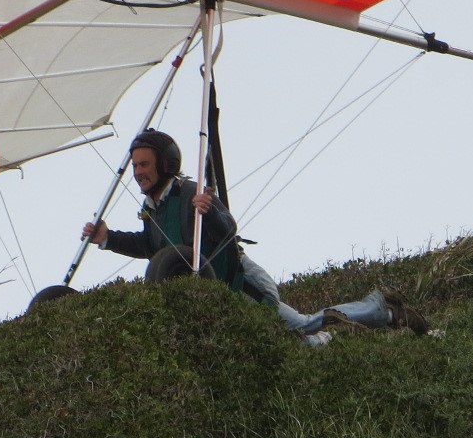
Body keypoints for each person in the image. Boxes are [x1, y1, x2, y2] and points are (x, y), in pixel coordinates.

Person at [84, 129, 429, 344]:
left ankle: (379, 307)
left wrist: (210, 209)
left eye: (144, 164)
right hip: (221, 291)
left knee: (302, 325)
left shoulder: (190, 193)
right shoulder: (154, 209)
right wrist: (108, 238)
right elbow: (151, 248)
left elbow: (228, 229)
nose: (138, 172)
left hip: (242, 282)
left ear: (164, 164)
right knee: (272, 341)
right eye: (135, 166)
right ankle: (368, 324)